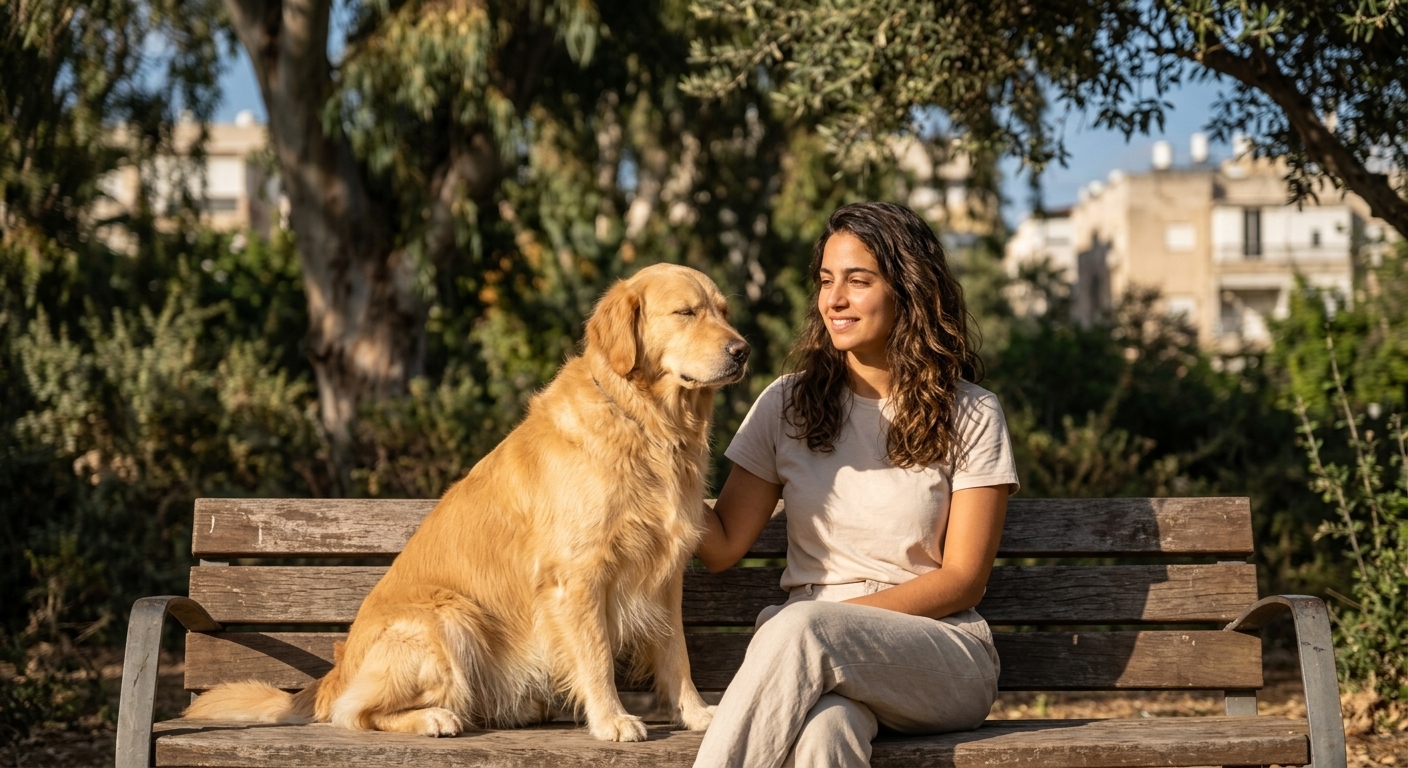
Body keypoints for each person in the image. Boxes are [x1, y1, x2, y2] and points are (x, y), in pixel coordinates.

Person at [692, 201, 1019, 767]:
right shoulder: (786, 404)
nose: (834, 300)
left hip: (937, 652)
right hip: (809, 656)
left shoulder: (971, 413)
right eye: (825, 281)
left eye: (857, 281)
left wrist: (838, 619)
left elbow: (964, 580)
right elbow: (721, 546)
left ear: (908, 290)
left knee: (803, 627)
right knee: (826, 733)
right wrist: (639, 461)